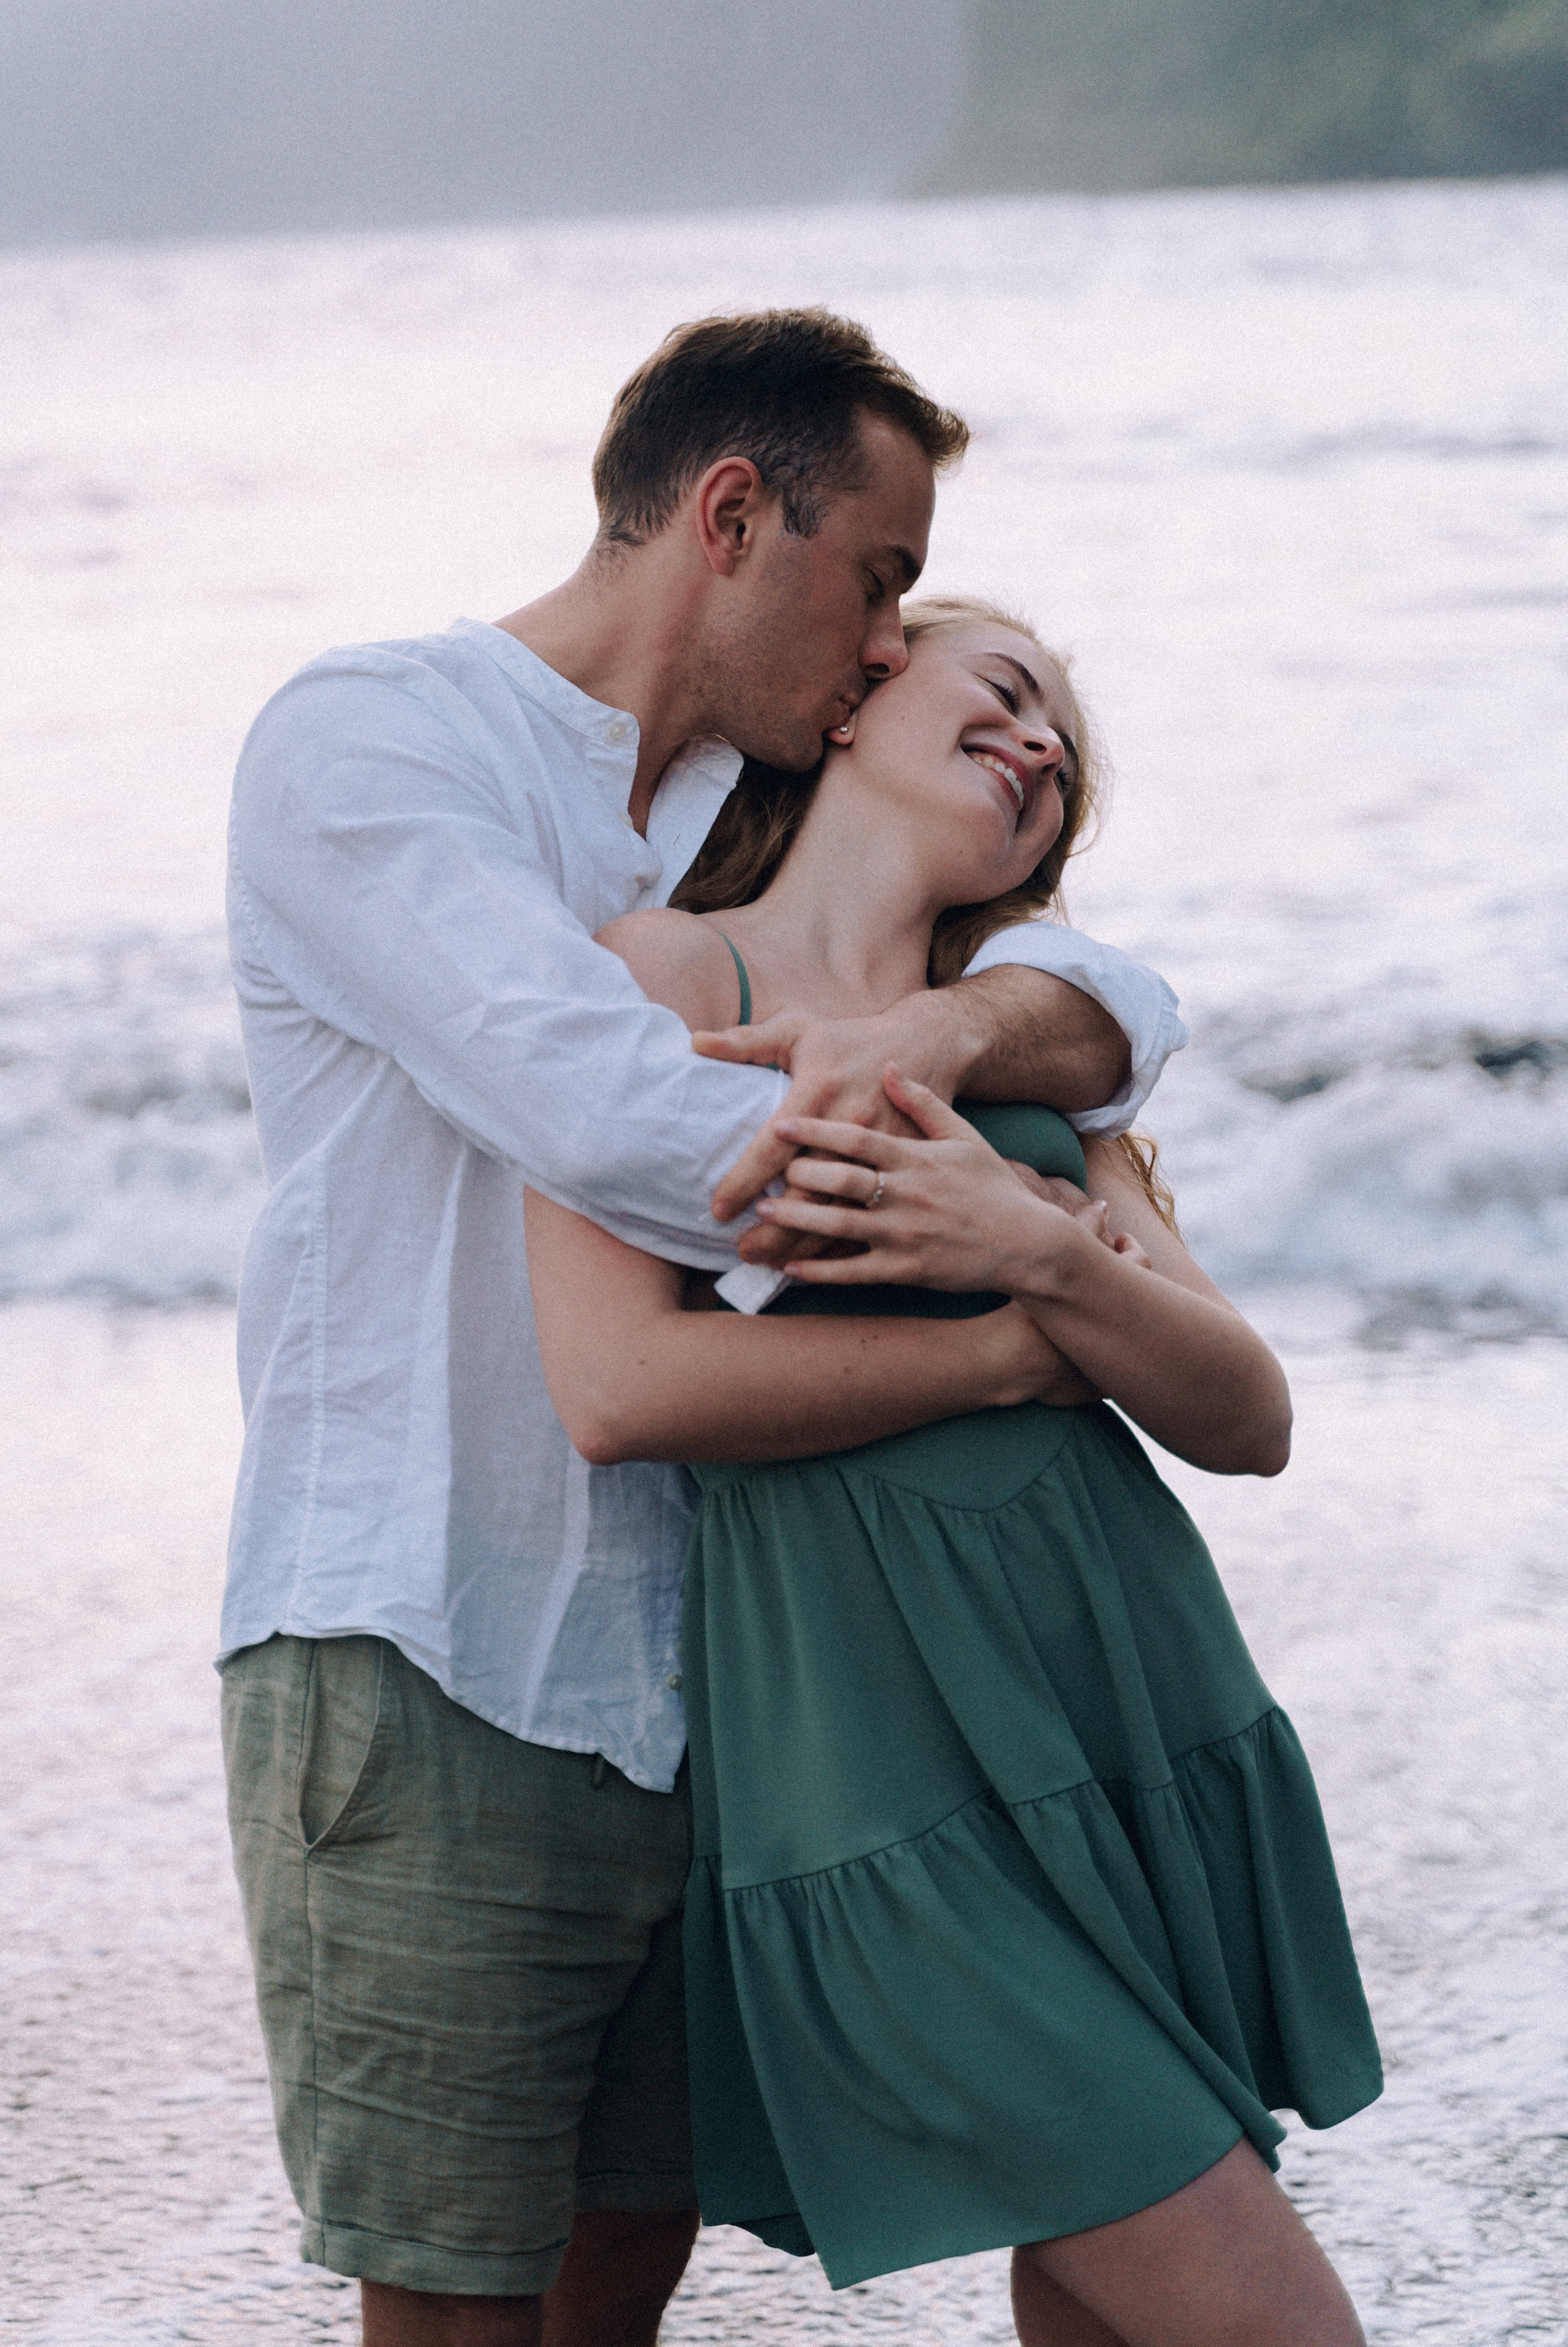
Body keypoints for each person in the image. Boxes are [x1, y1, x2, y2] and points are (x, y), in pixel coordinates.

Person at [217, 312, 1187, 2346]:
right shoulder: (377, 746)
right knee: (462, 2318)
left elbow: (1105, 984)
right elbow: (624, 1118)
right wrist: (1039, 1265)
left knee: (614, 2305)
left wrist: (959, 1022)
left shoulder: (745, 805)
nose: (893, 647)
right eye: (882, 581)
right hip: (432, 1657)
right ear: (736, 519)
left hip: (711, 1688)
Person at [524, 597, 1383, 2347]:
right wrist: (1021, 1340)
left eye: (1063, 752)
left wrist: (1047, 1247)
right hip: (887, 1782)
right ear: (858, 694)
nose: (1041, 745)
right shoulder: (667, 978)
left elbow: (1249, 1413)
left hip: (1123, 1716)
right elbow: (622, 1386)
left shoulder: (1038, 1057)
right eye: (1006, 691)